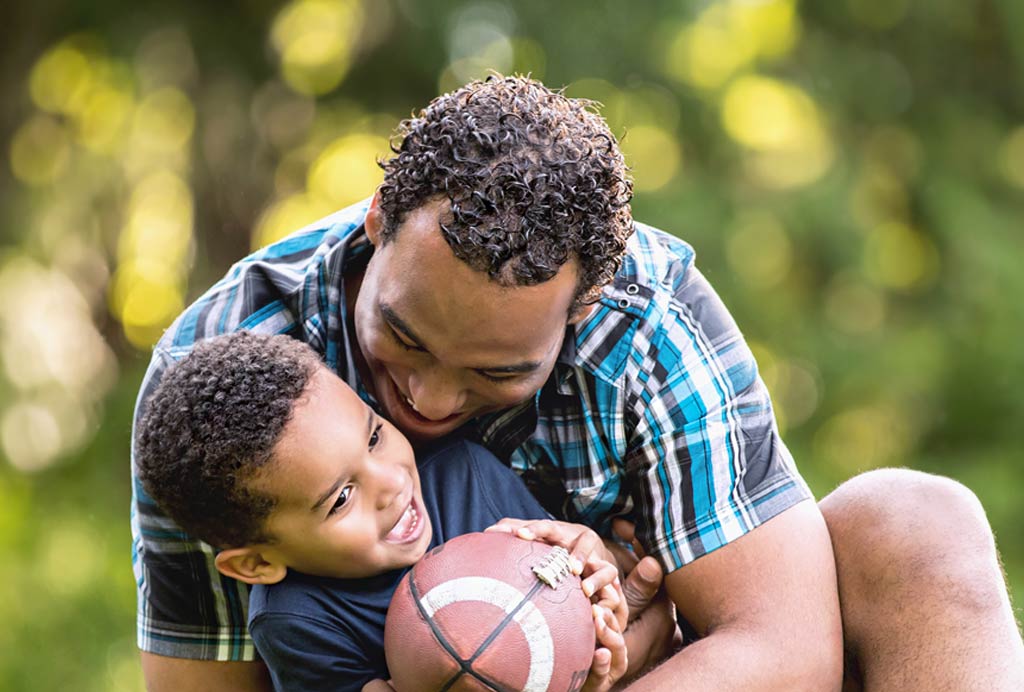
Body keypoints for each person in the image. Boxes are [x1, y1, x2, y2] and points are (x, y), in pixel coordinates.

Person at [132, 75, 1024, 691]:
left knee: (917, 521)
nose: (430, 404)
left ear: (584, 310)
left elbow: (787, 652)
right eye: (402, 340)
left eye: (498, 372)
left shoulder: (651, 320)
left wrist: (602, 650)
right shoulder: (221, 380)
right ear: (375, 223)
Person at [134, 331, 632, 691]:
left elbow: (590, 604)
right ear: (257, 564)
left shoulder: (466, 475)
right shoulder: (299, 623)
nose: (393, 483)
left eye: (374, 436)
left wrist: (594, 574)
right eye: (341, 498)